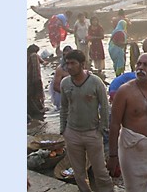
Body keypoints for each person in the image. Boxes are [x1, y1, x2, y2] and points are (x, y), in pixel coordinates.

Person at [107, 53, 147, 192]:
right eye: (139, 64)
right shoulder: (124, 91)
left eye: (145, 65)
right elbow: (115, 124)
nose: (140, 68)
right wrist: (112, 156)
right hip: (131, 149)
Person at [59, 50, 114, 192]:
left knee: (100, 171)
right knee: (78, 173)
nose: (69, 66)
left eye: (73, 63)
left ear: (82, 64)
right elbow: (64, 107)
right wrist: (63, 129)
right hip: (72, 132)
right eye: (67, 63)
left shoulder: (95, 82)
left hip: (92, 133)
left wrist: (102, 129)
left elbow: (105, 107)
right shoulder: (65, 83)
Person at [49, 45, 72, 110]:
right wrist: (67, 94)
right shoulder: (60, 69)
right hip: (62, 93)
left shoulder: (77, 66)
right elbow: (56, 86)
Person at [27, 44, 46, 120]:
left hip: (29, 80)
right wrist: (36, 81)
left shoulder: (29, 55)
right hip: (34, 80)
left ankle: (33, 113)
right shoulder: (34, 56)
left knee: (31, 97)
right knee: (37, 95)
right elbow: (35, 70)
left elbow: (42, 61)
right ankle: (39, 112)